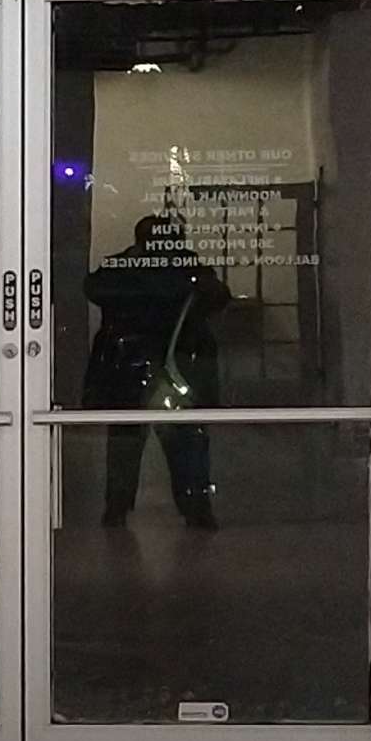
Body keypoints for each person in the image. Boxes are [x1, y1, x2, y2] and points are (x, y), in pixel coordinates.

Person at [83, 201, 226, 524]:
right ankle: (195, 508)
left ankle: (118, 508)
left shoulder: (124, 266)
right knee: (183, 440)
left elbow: (93, 289)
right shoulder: (187, 268)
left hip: (133, 365)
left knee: (128, 442)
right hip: (174, 364)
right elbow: (218, 298)